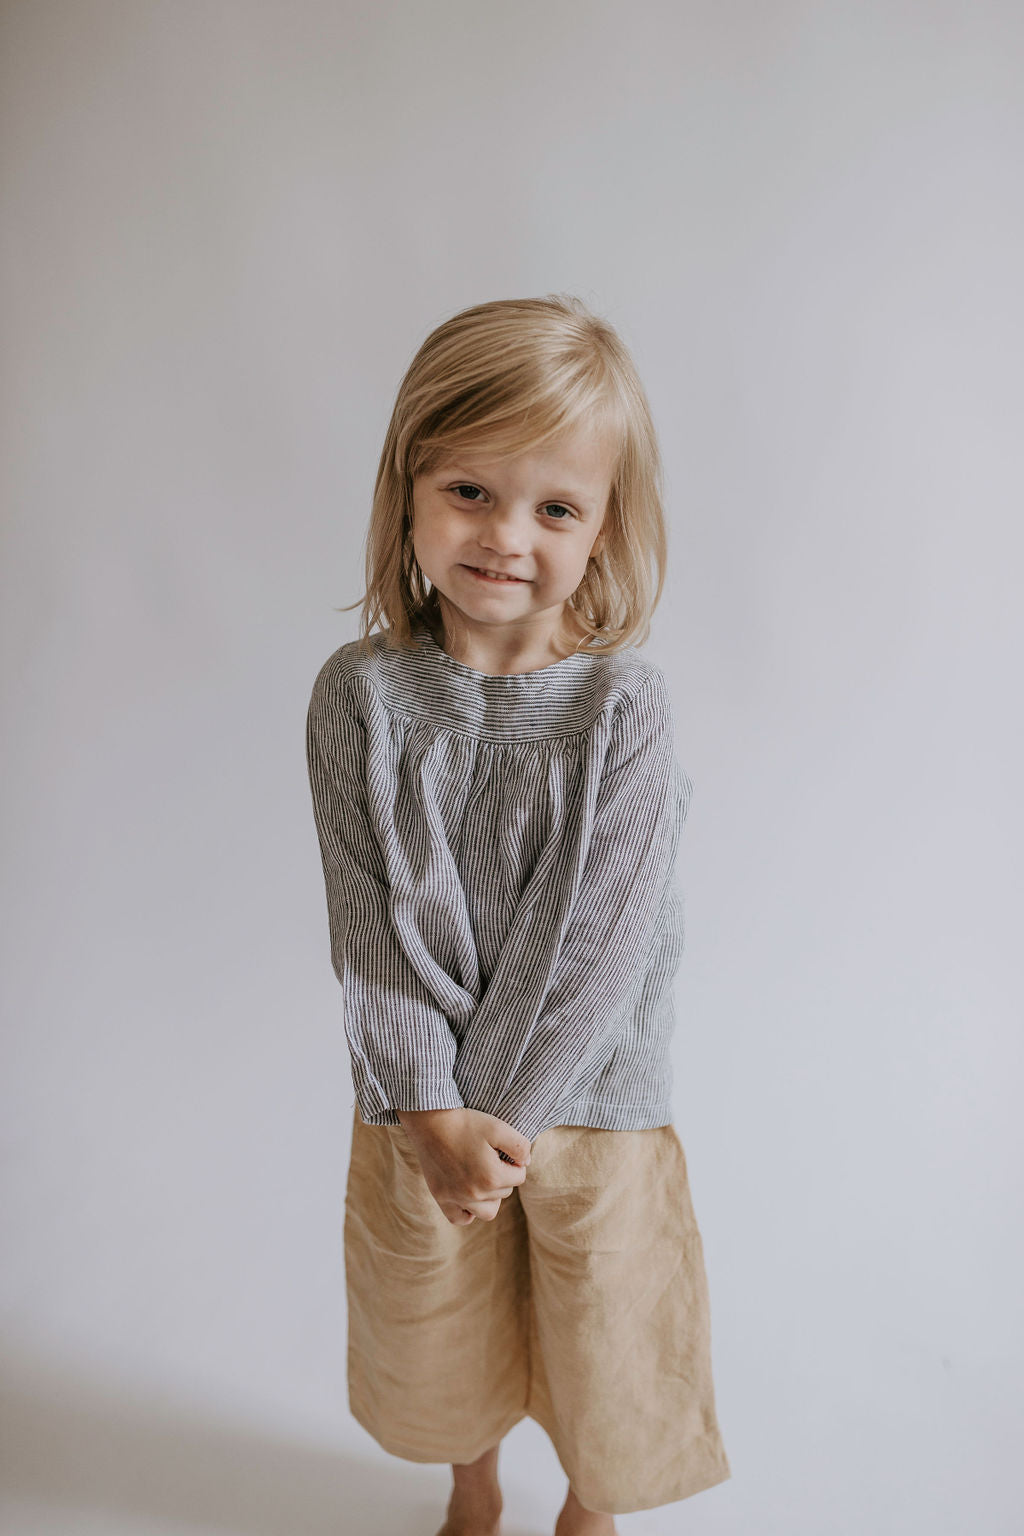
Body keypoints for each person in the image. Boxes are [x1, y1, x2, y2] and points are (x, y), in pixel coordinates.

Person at [305, 295, 731, 1536]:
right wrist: (430, 1108)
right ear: (408, 491)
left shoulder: (623, 708)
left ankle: (591, 1508)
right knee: (436, 1323)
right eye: (469, 492)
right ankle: (472, 1484)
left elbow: (599, 946)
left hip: (588, 1091)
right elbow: (366, 924)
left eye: (555, 508)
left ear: (604, 529)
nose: (505, 536)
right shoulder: (360, 697)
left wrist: (492, 1119)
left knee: (609, 1323)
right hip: (418, 1098)